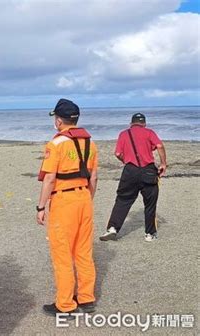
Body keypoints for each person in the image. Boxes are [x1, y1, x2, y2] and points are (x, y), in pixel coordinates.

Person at [36, 98, 98, 317]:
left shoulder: (56, 144)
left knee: (62, 253)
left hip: (64, 200)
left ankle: (65, 303)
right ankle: (87, 297)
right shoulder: (90, 143)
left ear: (59, 120)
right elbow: (94, 177)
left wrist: (41, 207)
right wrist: (87, 198)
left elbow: (50, 178)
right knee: (83, 251)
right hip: (84, 198)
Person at [100, 113, 167, 242]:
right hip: (148, 170)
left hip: (130, 170)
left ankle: (113, 228)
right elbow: (159, 146)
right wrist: (163, 163)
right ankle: (149, 233)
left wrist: (125, 160)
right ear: (144, 123)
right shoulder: (149, 132)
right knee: (150, 203)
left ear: (131, 123)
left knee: (123, 200)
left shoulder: (124, 134)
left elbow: (117, 153)